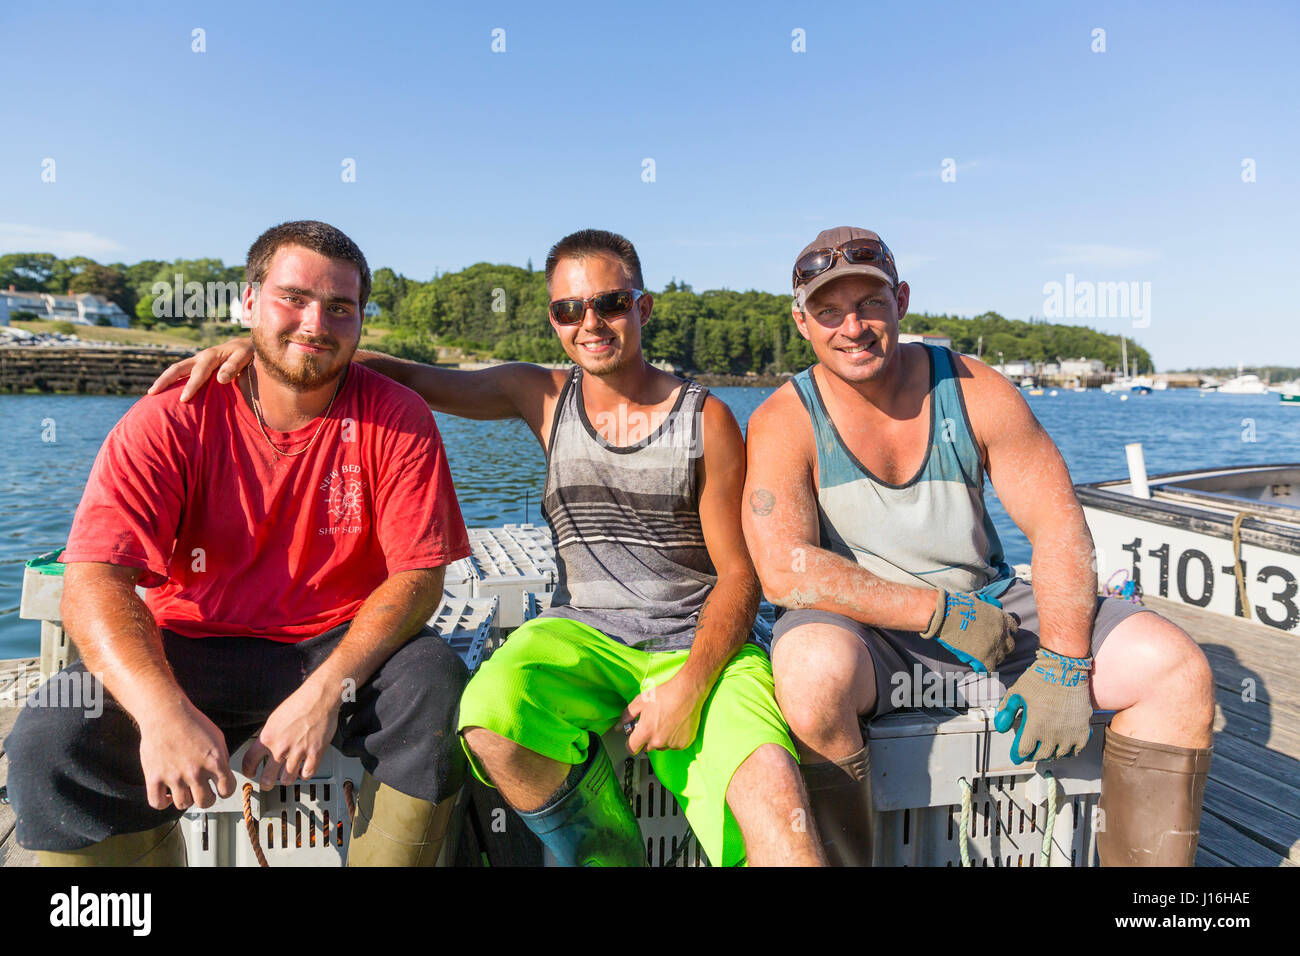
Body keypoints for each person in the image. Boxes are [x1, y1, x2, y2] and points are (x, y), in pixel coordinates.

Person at [163, 228, 825, 867]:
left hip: (696, 640)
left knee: (778, 812)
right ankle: (611, 856)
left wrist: (692, 683)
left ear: (643, 308)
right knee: (485, 717)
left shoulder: (703, 418)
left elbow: (740, 576)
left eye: (611, 303)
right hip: (582, 635)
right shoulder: (540, 395)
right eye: (570, 308)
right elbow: (412, 377)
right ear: (553, 319)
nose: (590, 322)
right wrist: (263, 347)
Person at [741, 226, 1215, 866]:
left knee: (1175, 669)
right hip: (864, 631)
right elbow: (784, 572)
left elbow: (1057, 526)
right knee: (807, 675)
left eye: (870, 304)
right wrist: (934, 614)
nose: (852, 327)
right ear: (802, 322)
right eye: (829, 311)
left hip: (991, 609)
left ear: (901, 300)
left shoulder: (974, 390)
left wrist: (1065, 664)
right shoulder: (782, 418)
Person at [5, 220, 472, 866]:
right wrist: (161, 711)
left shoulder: (397, 418)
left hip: (338, 643)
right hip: (190, 646)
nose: (316, 322)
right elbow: (95, 580)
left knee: (437, 688)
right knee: (52, 737)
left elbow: (417, 576)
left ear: (362, 320)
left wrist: (325, 693)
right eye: (294, 298)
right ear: (248, 303)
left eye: (340, 308)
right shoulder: (171, 418)